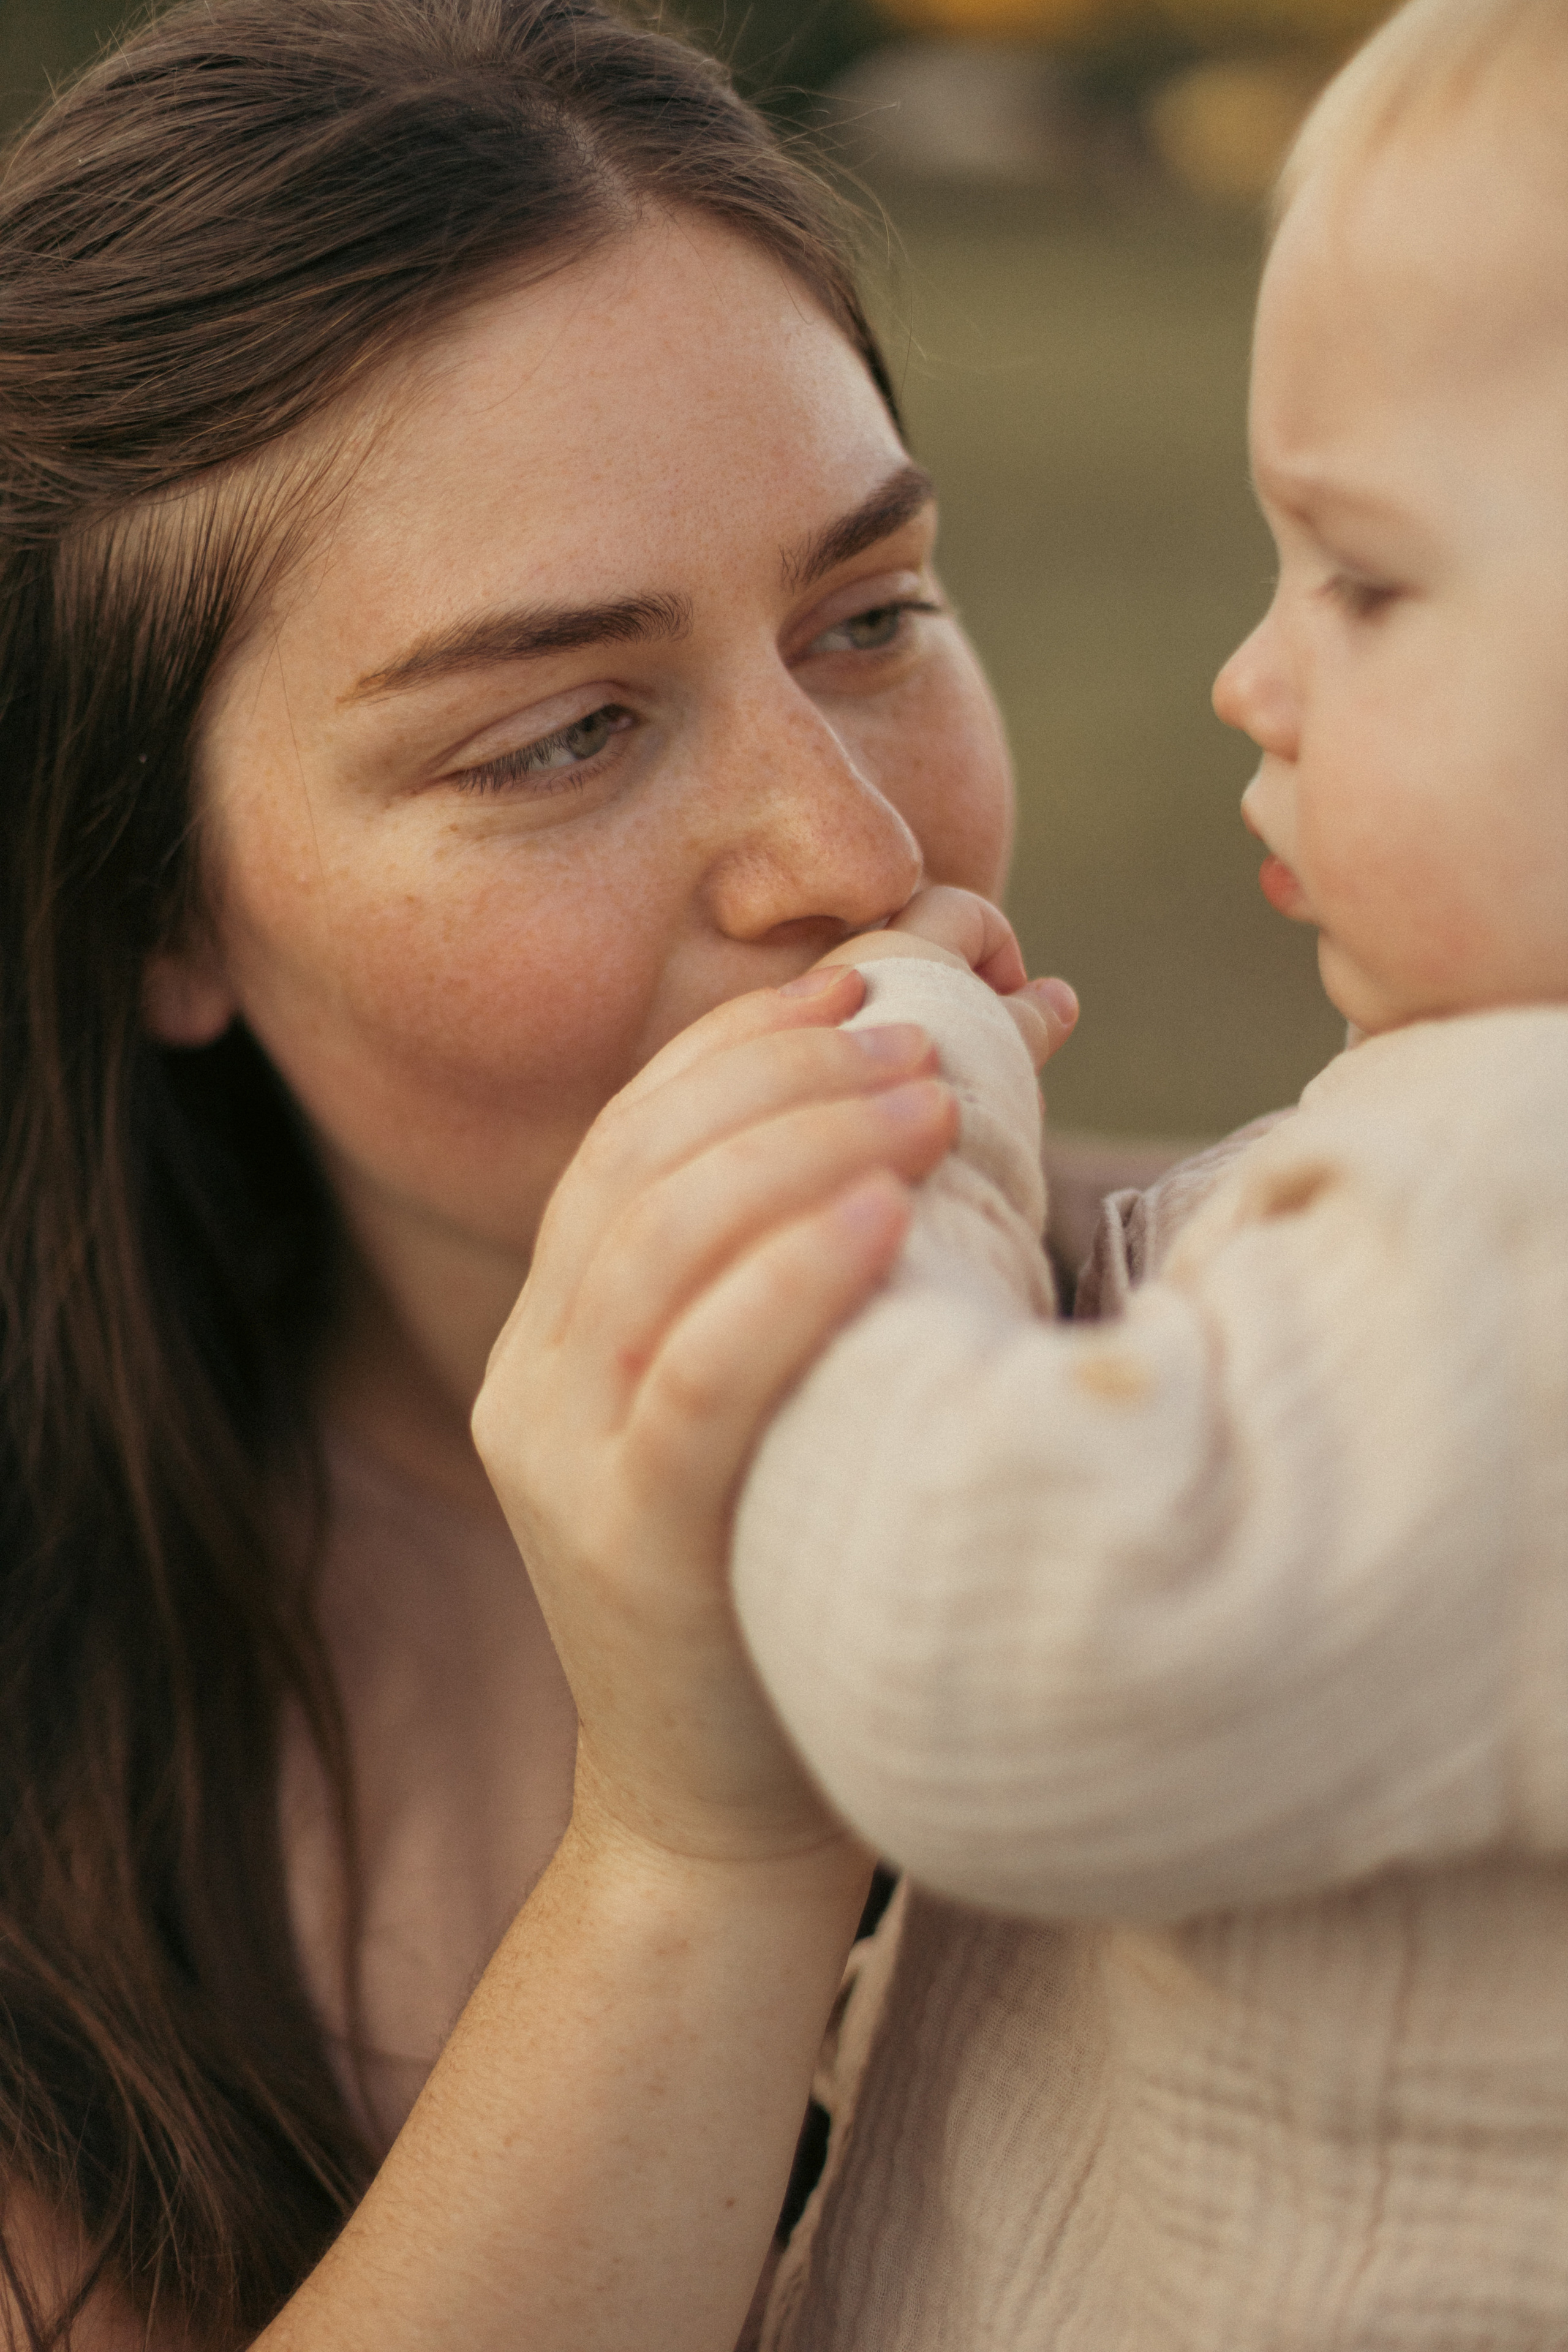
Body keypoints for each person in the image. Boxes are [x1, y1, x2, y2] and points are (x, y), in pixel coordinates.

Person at [481, 0, 1568, 2343]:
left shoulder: (1522, 1212)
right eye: (562, 729)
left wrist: (927, 1135)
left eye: (1368, 584)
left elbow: (993, 1635)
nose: (1248, 679)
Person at [0, 4, 1082, 2345]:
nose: (853, 854)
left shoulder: (1378, 1390)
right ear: (158, 910)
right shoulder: (57, 1784)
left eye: (872, 615)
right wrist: (697, 1855)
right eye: (564, 733)